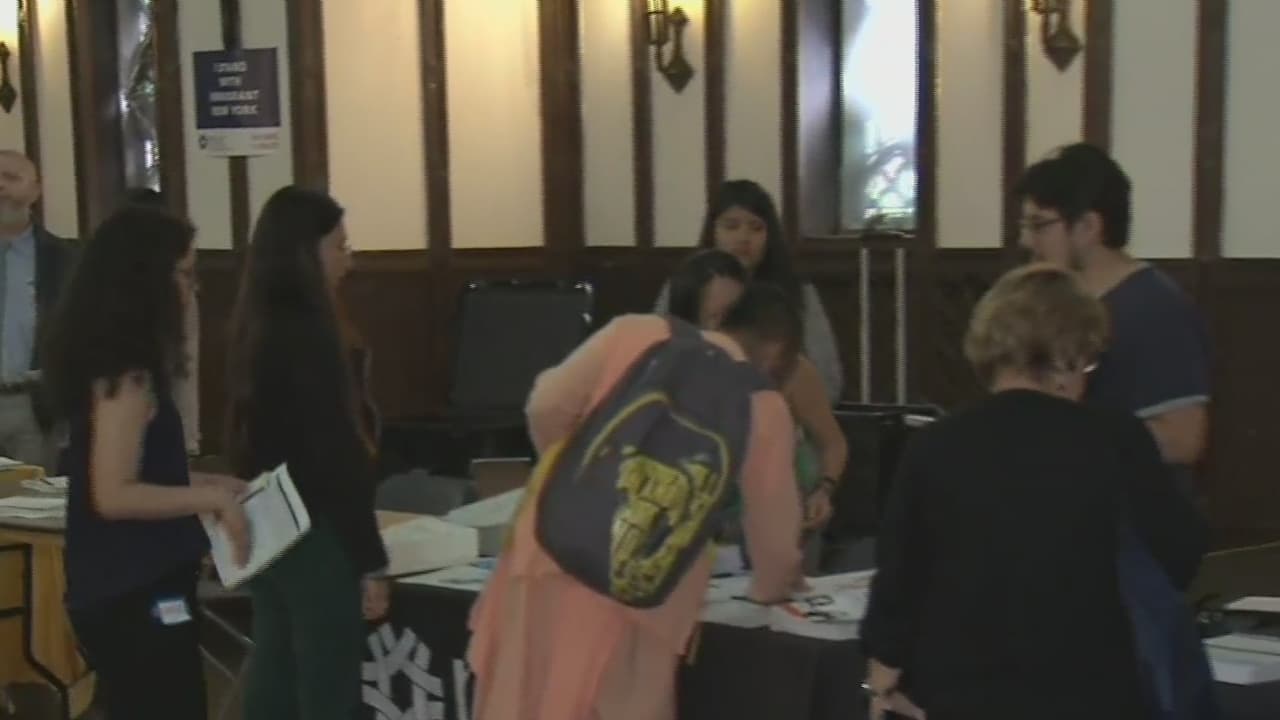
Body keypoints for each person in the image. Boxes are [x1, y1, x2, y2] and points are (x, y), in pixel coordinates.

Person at [860, 264, 1204, 720]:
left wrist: (880, 680)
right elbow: (1179, 555)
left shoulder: (935, 444)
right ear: (1067, 357)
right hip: (1091, 692)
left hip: (962, 693)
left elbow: (900, 578)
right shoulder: (1117, 440)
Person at [468, 283, 808, 720]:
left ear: (721, 319)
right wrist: (770, 588)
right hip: (644, 583)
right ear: (778, 353)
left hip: (550, 547)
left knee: (523, 695)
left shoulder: (634, 331)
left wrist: (579, 480)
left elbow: (545, 406)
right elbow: (775, 539)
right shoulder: (761, 404)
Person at [45, 206, 249, 718]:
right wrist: (211, 498)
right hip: (131, 586)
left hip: (133, 581)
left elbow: (146, 472)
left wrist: (209, 483)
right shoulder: (126, 376)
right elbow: (114, 493)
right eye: (184, 274)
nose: (193, 289)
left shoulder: (125, 365)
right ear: (146, 280)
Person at [225, 185, 389, 720]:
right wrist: (369, 559)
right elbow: (336, 454)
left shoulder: (258, 322)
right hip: (318, 529)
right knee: (326, 685)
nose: (349, 259)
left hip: (271, 522)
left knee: (274, 669)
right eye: (339, 246)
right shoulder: (309, 334)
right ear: (305, 252)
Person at [1017, 143, 1210, 490]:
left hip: (1130, 515)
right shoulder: (1051, 299)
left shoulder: (1154, 309)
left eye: (1039, 225)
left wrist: (1063, 432)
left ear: (1088, 226)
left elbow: (1183, 440)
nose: (1026, 241)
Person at [666, 248, 847, 546]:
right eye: (719, 318)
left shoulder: (790, 369)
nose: (736, 329)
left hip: (788, 525)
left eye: (739, 313)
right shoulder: (672, 378)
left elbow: (834, 444)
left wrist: (823, 491)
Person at [655, 179, 843, 401]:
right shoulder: (681, 285)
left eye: (756, 228)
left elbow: (829, 380)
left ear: (769, 236)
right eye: (731, 226)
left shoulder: (798, 291)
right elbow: (655, 364)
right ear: (712, 232)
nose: (743, 238)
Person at [0, 150, 76, 469]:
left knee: (32, 494)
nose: (1, 186)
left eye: (11, 178)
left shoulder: (63, 258)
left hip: (34, 406)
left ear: (35, 191)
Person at [120, 187, 201, 455]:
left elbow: (186, 369)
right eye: (184, 274)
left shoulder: (180, 300)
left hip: (164, 426)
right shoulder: (105, 307)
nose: (191, 286)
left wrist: (189, 439)